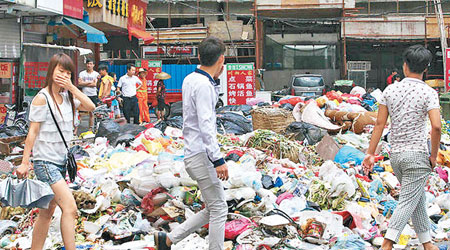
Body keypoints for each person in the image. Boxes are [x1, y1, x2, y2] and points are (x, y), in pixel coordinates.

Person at [153, 37, 229, 250]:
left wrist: (215, 77)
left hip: (192, 153)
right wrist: (218, 159)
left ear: (199, 56)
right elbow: (206, 123)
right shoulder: (204, 84)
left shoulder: (191, 79)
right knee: (219, 209)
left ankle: (167, 240)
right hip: (202, 155)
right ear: (221, 59)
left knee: (211, 208)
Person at [363, 45, 441, 250]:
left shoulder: (390, 90)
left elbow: (379, 124)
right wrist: (433, 156)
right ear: (426, 68)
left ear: (405, 66)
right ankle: (387, 244)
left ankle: (428, 244)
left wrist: (370, 153)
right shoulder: (429, 92)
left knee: (416, 198)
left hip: (396, 156)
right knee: (408, 200)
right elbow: (436, 126)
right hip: (417, 156)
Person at [15, 53, 95, 250]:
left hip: (60, 163)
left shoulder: (68, 97)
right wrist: (25, 161)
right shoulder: (42, 98)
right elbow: (32, 132)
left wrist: (71, 87)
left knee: (47, 211)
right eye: (60, 71)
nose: (64, 76)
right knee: (70, 208)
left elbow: (90, 106)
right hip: (44, 162)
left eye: (68, 73)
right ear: (51, 72)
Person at [78, 59, 99, 130]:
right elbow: (79, 83)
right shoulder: (82, 73)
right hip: (84, 95)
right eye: (88, 64)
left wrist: (85, 83)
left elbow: (94, 84)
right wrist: (90, 83)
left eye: (90, 64)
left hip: (93, 94)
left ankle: (91, 128)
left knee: (92, 112)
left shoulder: (96, 74)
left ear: (93, 65)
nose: (89, 65)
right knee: (80, 113)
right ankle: (76, 130)